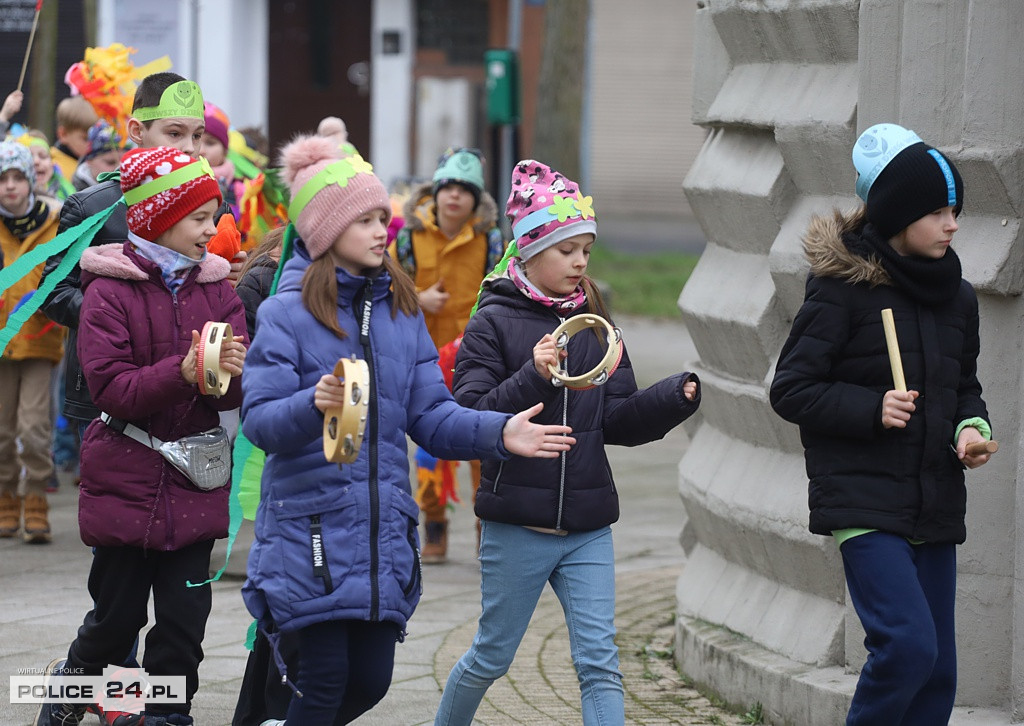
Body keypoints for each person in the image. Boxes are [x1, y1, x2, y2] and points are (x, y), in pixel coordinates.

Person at [240, 136, 575, 726]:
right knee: (322, 687)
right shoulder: (285, 312)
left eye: (381, 217)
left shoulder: (400, 311)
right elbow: (260, 422)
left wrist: (503, 434)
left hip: (379, 537)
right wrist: (310, 404)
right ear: (324, 230)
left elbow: (433, 419)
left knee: (369, 683)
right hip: (310, 532)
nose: (382, 229)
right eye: (365, 220)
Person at [434, 160, 700, 725]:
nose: (580, 262)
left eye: (586, 249)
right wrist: (533, 373)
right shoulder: (493, 322)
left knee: (600, 664)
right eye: (567, 250)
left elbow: (620, 420)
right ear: (529, 250)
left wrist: (676, 395)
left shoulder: (595, 322)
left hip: (587, 526)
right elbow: (472, 416)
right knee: (492, 657)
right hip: (517, 524)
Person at [769, 124, 992, 725]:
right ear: (898, 214)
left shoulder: (959, 298)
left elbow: (963, 385)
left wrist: (969, 429)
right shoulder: (843, 290)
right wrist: (873, 408)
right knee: (907, 647)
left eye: (955, 211)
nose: (952, 224)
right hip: (864, 501)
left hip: (934, 499)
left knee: (938, 667)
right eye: (939, 211)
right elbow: (791, 389)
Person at [36, 146, 248, 726]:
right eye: (201, 218)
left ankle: (165, 717)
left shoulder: (219, 290)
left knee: (184, 624)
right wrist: (181, 372)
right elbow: (111, 389)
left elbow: (232, 394)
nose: (214, 230)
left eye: (214, 216)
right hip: (125, 477)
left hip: (193, 481)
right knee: (115, 622)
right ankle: (71, 685)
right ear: (157, 216)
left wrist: (231, 374)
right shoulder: (109, 290)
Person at [40, 72, 242, 430]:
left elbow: (215, 295)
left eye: (197, 135)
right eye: (174, 133)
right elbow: (54, 291)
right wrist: (117, 317)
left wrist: (232, 276)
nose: (189, 148)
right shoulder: (91, 207)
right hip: (104, 394)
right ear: (137, 131)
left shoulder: (214, 207)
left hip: (190, 392)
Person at [388, 147, 505, 563]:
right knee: (428, 445)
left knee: (481, 444)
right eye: (447, 188)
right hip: (423, 359)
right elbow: (388, 288)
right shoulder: (409, 236)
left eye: (464, 189)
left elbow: (500, 290)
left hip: (477, 360)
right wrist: (419, 299)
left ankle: (483, 524)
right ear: (434, 193)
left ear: (476, 198)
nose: (454, 196)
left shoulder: (490, 239)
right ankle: (433, 524)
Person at [0, 141, 63, 544]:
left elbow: (63, 275)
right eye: (2, 178)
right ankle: (6, 496)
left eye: (17, 177)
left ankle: (36, 496)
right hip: (2, 344)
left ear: (30, 180)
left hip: (39, 341)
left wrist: (46, 297)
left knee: (34, 426)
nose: (9, 186)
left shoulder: (54, 221)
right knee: (2, 429)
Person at [50, 96, 100, 182]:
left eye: (96, 138)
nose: (92, 144)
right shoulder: (54, 168)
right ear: (63, 134)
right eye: (86, 139)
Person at [71, 120, 122, 191]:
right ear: (89, 160)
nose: (119, 169)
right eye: (110, 162)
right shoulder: (73, 195)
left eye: (126, 162)